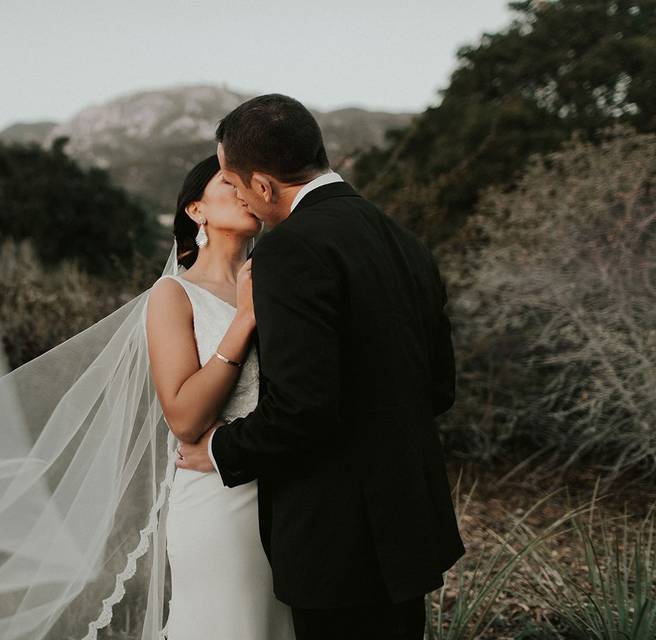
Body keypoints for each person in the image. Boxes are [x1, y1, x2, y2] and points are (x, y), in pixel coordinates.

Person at [176, 94, 466, 640]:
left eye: (238, 186)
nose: (242, 199)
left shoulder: (288, 251)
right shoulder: (405, 243)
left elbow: (302, 410)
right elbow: (438, 388)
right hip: (406, 528)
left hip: (336, 539)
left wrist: (218, 449)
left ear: (263, 186)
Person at [144, 154, 295, 639]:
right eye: (229, 183)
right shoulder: (173, 294)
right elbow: (185, 419)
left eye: (250, 181)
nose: (245, 190)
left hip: (293, 493)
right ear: (196, 211)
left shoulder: (285, 285)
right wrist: (245, 319)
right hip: (217, 498)